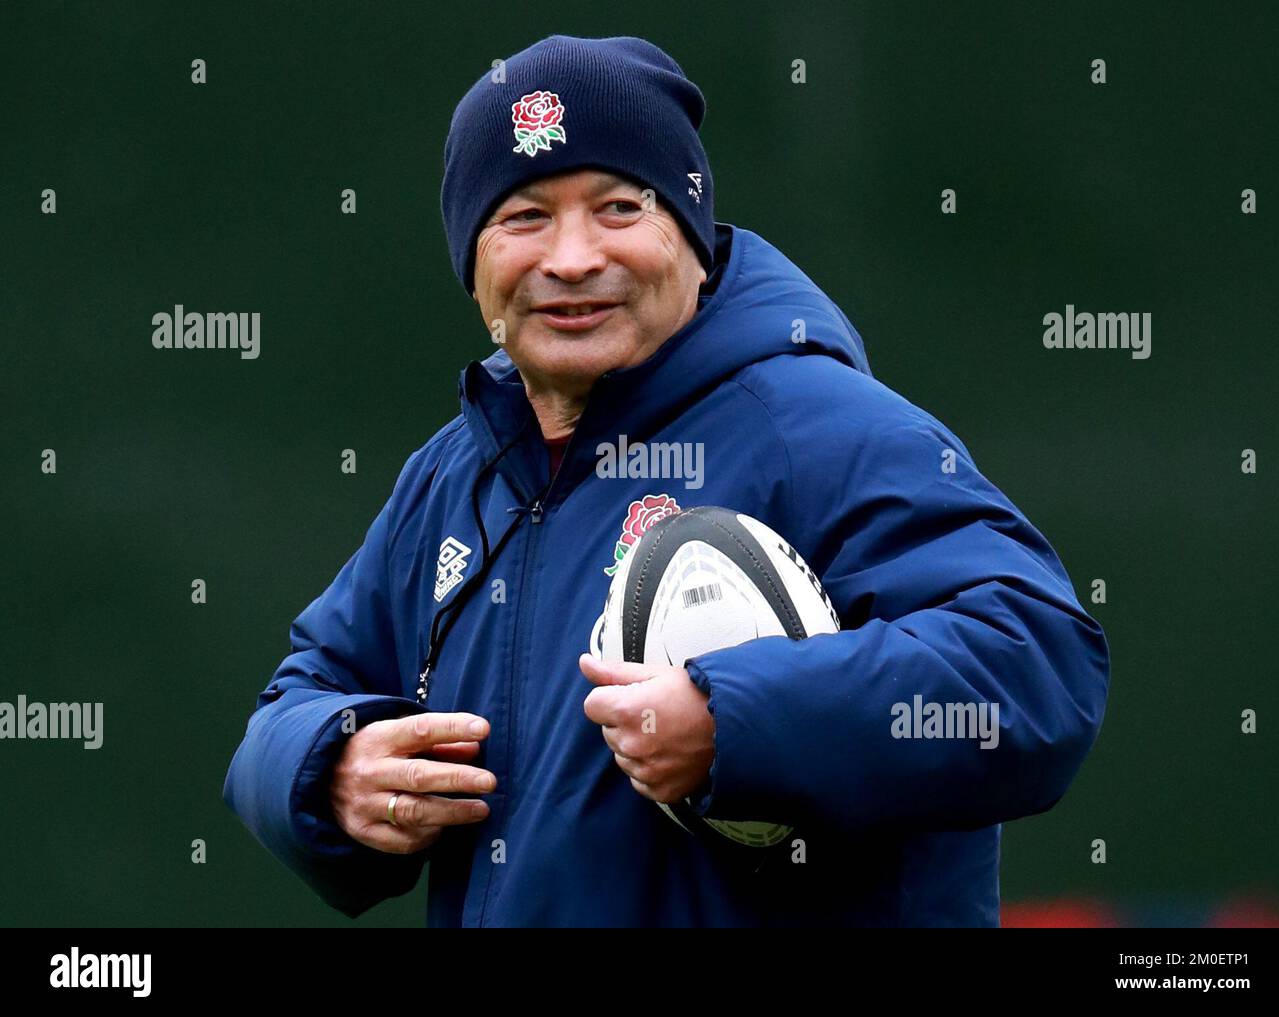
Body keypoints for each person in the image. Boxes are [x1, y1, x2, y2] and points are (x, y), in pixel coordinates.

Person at [223, 34, 1109, 927]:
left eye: (617, 206)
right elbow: (293, 700)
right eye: (524, 216)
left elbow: (1039, 668)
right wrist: (332, 770)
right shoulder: (454, 476)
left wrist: (737, 722)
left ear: (689, 235)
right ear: (473, 259)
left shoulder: (818, 426)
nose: (570, 258)